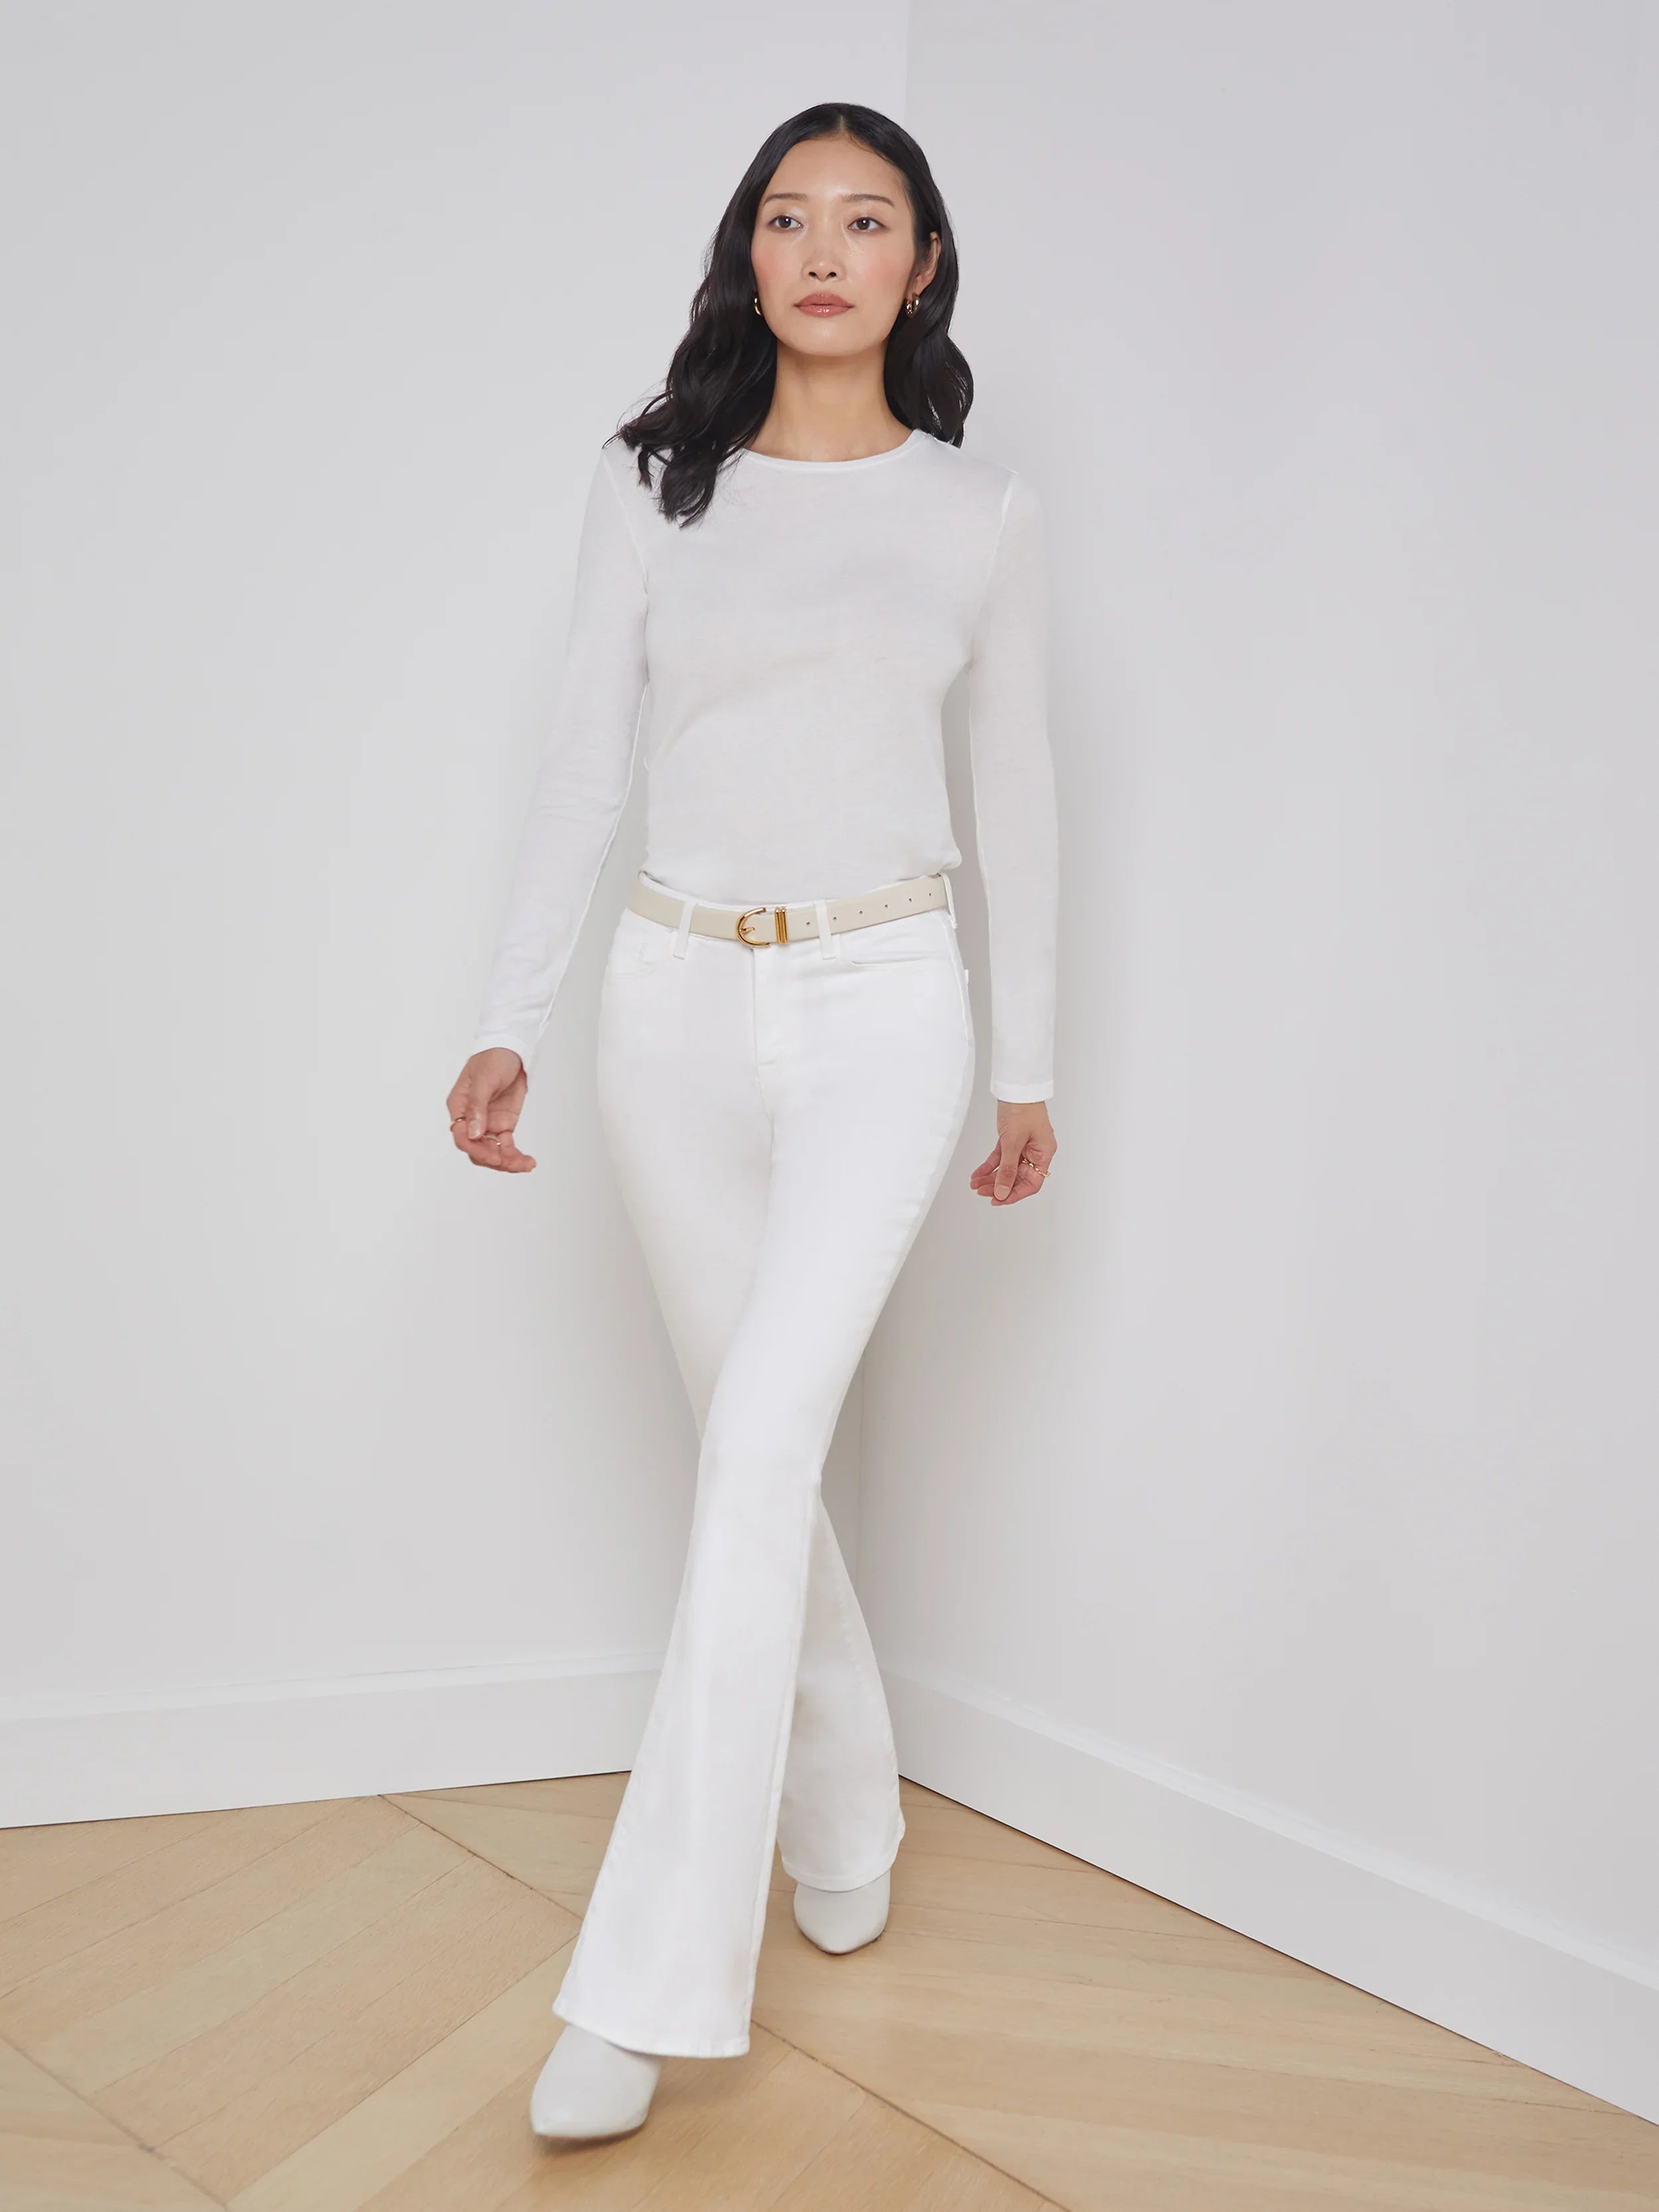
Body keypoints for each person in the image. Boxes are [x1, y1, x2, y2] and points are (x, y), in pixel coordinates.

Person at [446, 100, 1059, 2140]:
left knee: (759, 1447)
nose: (822, 250)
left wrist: (1028, 1062)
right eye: (788, 218)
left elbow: (1017, 801)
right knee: (752, 1454)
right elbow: (577, 760)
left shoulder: (980, 514)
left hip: (886, 1003)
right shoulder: (655, 487)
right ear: (748, 255)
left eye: (864, 220)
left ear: (920, 264)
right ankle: (850, 1801)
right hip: (670, 1007)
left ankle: (641, 1990)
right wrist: (510, 1016)